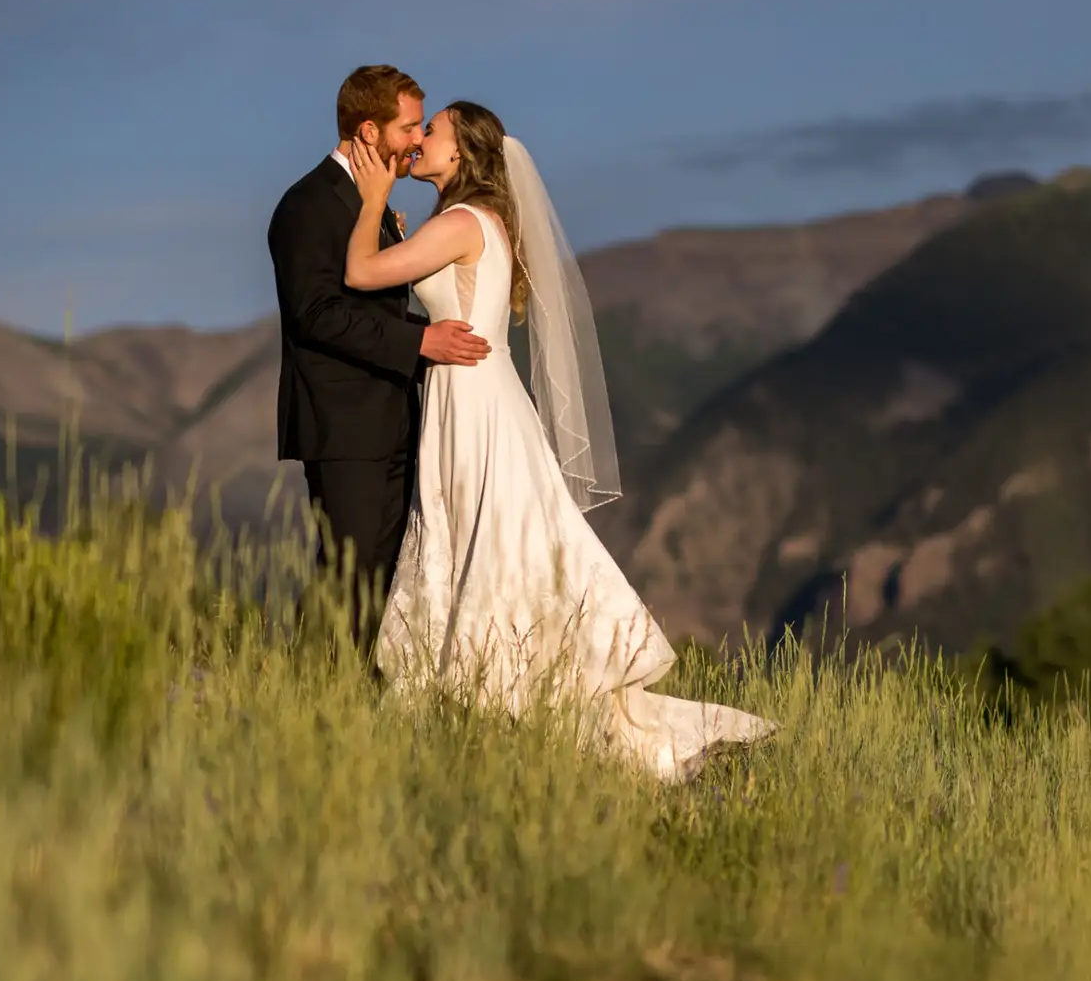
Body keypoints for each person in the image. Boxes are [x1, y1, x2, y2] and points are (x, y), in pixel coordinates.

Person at [341, 99, 776, 781]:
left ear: (461, 154)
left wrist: (371, 199)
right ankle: (487, 698)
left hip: (474, 406)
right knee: (484, 544)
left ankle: (490, 695)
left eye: (435, 131)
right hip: (470, 398)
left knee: (488, 546)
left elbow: (362, 274)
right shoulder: (467, 220)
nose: (421, 139)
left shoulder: (461, 222)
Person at [267, 65, 492, 657]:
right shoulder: (308, 204)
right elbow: (315, 313)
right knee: (348, 575)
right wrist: (420, 342)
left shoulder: (376, 204)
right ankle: (310, 702)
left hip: (395, 420)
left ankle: (357, 707)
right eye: (410, 126)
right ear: (369, 131)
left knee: (384, 580)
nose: (418, 140)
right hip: (343, 425)